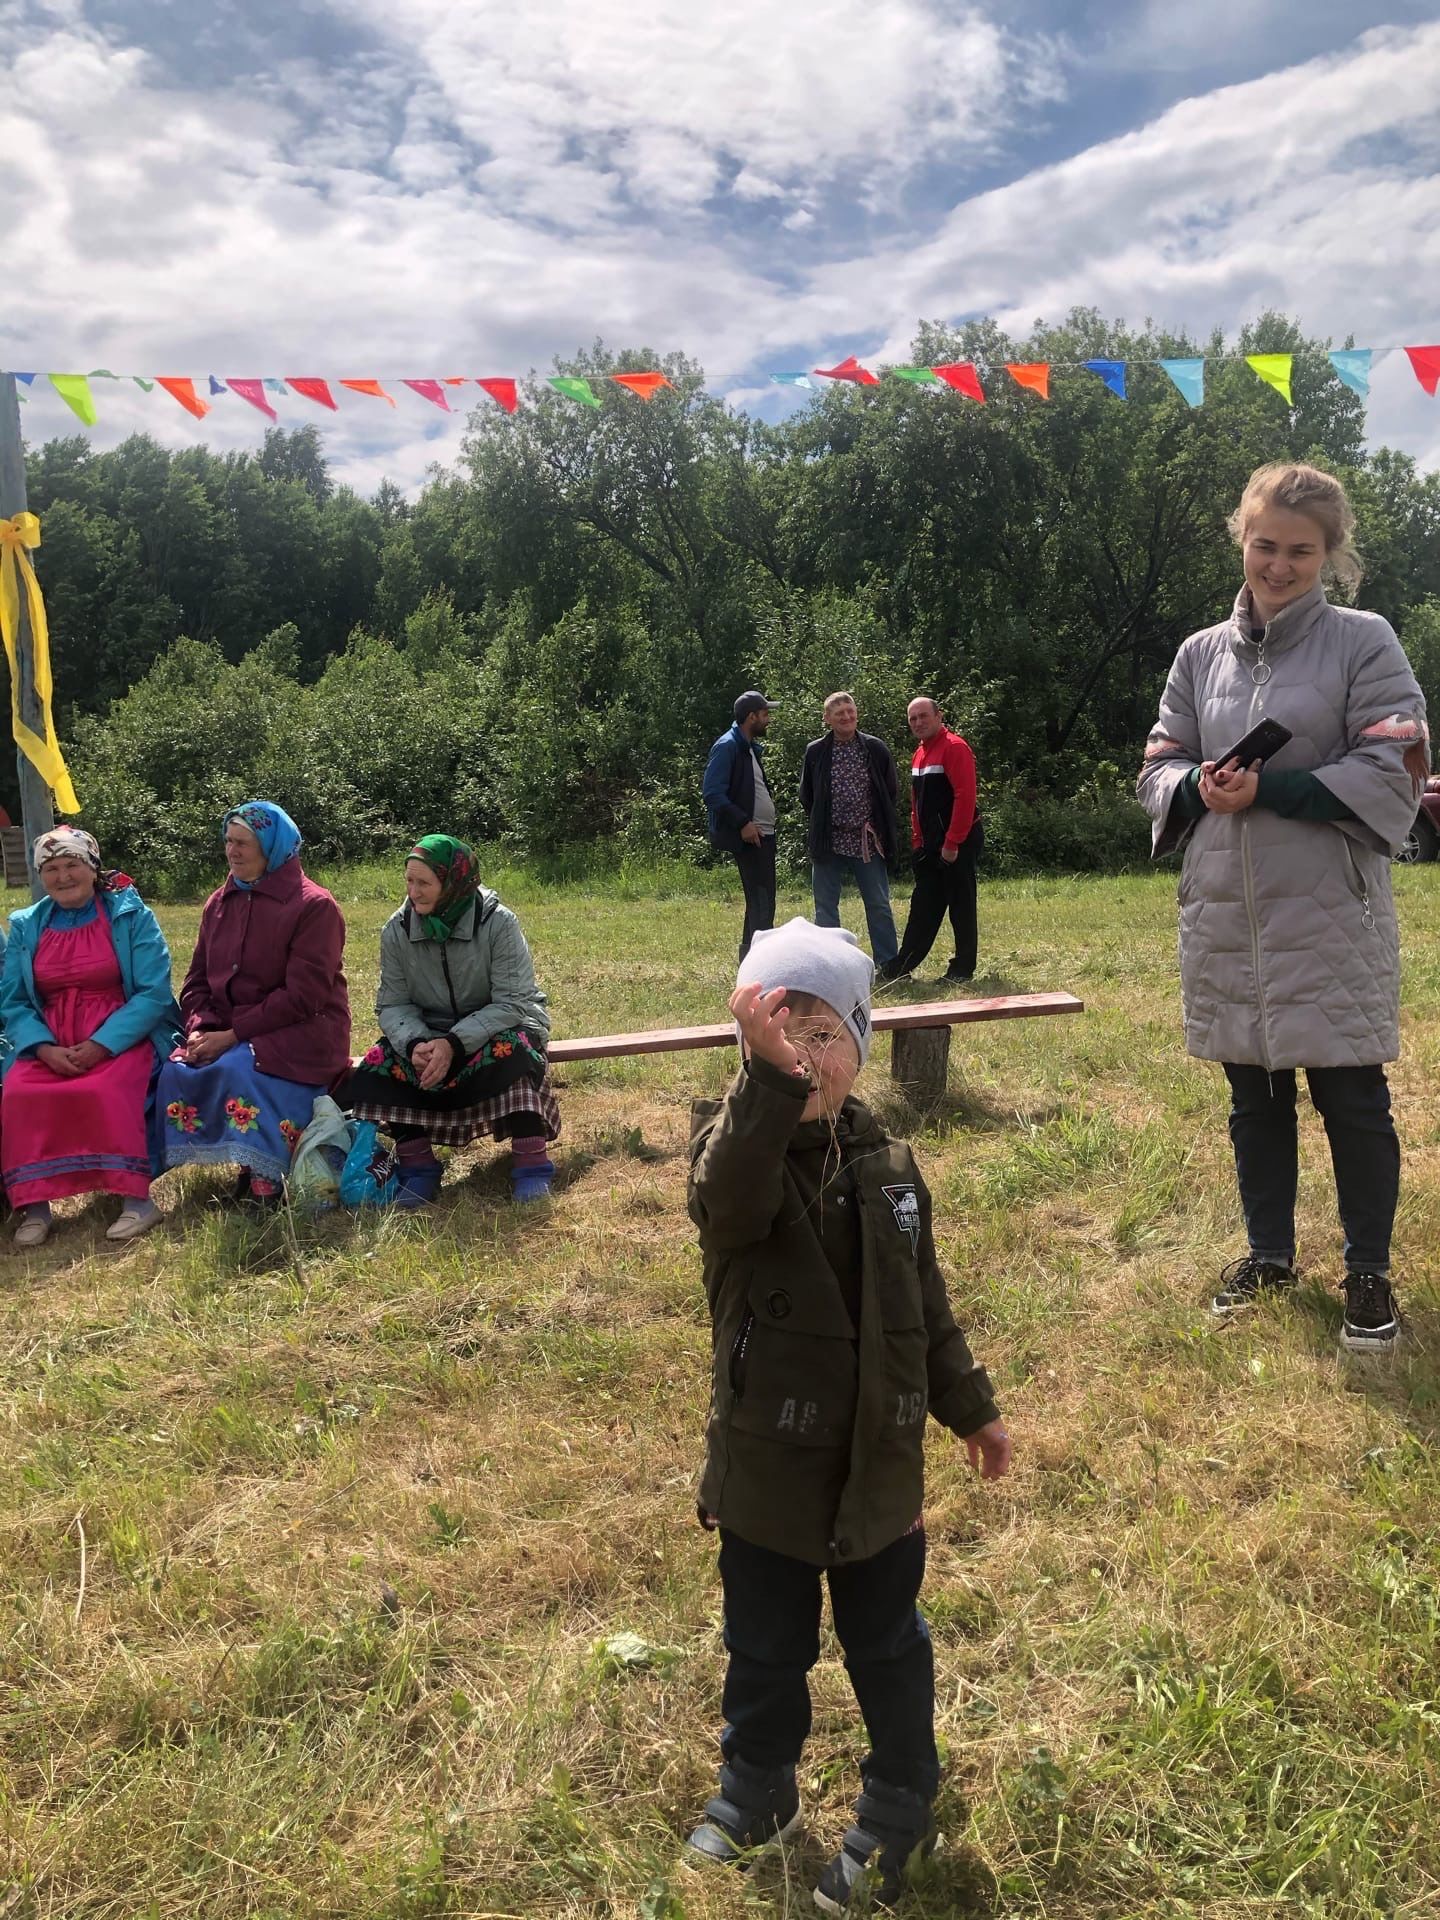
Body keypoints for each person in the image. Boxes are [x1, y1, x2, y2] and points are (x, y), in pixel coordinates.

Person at [683, 917, 1011, 1908]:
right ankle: (758, 1785)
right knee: (765, 1643)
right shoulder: (734, 1153)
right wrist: (764, 1085)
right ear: (750, 1049)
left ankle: (904, 1789)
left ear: (861, 1048)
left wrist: (971, 1410)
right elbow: (727, 1205)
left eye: (825, 1034)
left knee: (887, 1643)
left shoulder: (893, 1170)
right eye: (783, 1033)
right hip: (767, 1466)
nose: (805, 1056)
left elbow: (930, 1309)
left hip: (878, 1466)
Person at [1137, 463, 1428, 1352]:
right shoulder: (1198, 654)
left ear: (1330, 555)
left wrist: (1273, 788)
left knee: (1353, 1099)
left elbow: (1395, 769)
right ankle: (1268, 1256)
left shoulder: (1365, 641)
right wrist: (1195, 785)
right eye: (1266, 545)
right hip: (1230, 913)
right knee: (1253, 1096)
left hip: (1328, 914)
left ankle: (1367, 1272)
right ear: (1243, 538)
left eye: (1302, 550)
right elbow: (1156, 766)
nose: (1279, 565)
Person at [339, 835, 558, 1205]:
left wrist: (454, 1043)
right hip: (430, 1030)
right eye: (409, 881)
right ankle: (418, 1167)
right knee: (383, 1062)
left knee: (513, 1051)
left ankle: (531, 1166)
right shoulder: (398, 929)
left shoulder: (498, 923)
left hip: (500, 1022)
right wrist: (416, 1043)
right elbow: (392, 1004)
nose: (414, 892)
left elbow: (512, 1001)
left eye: (424, 883)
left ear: (453, 882)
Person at [156, 802, 350, 1202]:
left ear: (272, 847)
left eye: (243, 843)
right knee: (176, 1070)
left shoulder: (314, 906)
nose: (233, 851)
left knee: (241, 1066)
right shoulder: (219, 903)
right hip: (231, 1030)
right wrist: (201, 1029)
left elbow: (304, 997)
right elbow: (196, 980)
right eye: (228, 841)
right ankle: (245, 1165)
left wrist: (232, 1035)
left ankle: (268, 1178)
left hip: (304, 1030)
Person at [1, 828, 180, 1249]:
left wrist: (101, 1045)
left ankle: (136, 1200)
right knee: (20, 1092)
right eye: (51, 869)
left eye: (72, 865)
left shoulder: (130, 915)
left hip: (122, 1033)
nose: (63, 877)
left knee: (107, 1088)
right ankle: (35, 1206)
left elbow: (153, 992)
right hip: (51, 1040)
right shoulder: (27, 925)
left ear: (92, 868)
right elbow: (13, 1000)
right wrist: (42, 1048)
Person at [881, 697, 983, 985]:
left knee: (960, 905)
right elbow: (918, 805)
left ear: (939, 716)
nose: (918, 723)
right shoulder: (920, 753)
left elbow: (966, 798)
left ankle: (962, 970)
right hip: (930, 846)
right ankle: (901, 966)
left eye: (923, 716)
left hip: (957, 842)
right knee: (924, 903)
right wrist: (918, 842)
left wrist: (952, 843)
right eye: (913, 719)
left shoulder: (955, 747)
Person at [798, 692, 900, 968]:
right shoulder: (816, 751)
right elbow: (807, 796)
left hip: (866, 840)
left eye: (850, 711)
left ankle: (889, 964)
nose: (846, 717)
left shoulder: (875, 748)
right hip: (828, 840)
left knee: (878, 903)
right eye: (839, 712)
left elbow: (889, 792)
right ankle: (832, 965)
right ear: (827, 719)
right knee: (825, 907)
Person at [703, 691, 780, 961]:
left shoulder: (746, 746)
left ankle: (752, 961)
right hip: (751, 836)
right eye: (765, 714)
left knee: (762, 902)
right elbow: (712, 793)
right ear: (751, 717)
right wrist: (743, 823)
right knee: (761, 901)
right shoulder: (728, 746)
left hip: (762, 834)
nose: (768, 719)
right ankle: (760, 965)